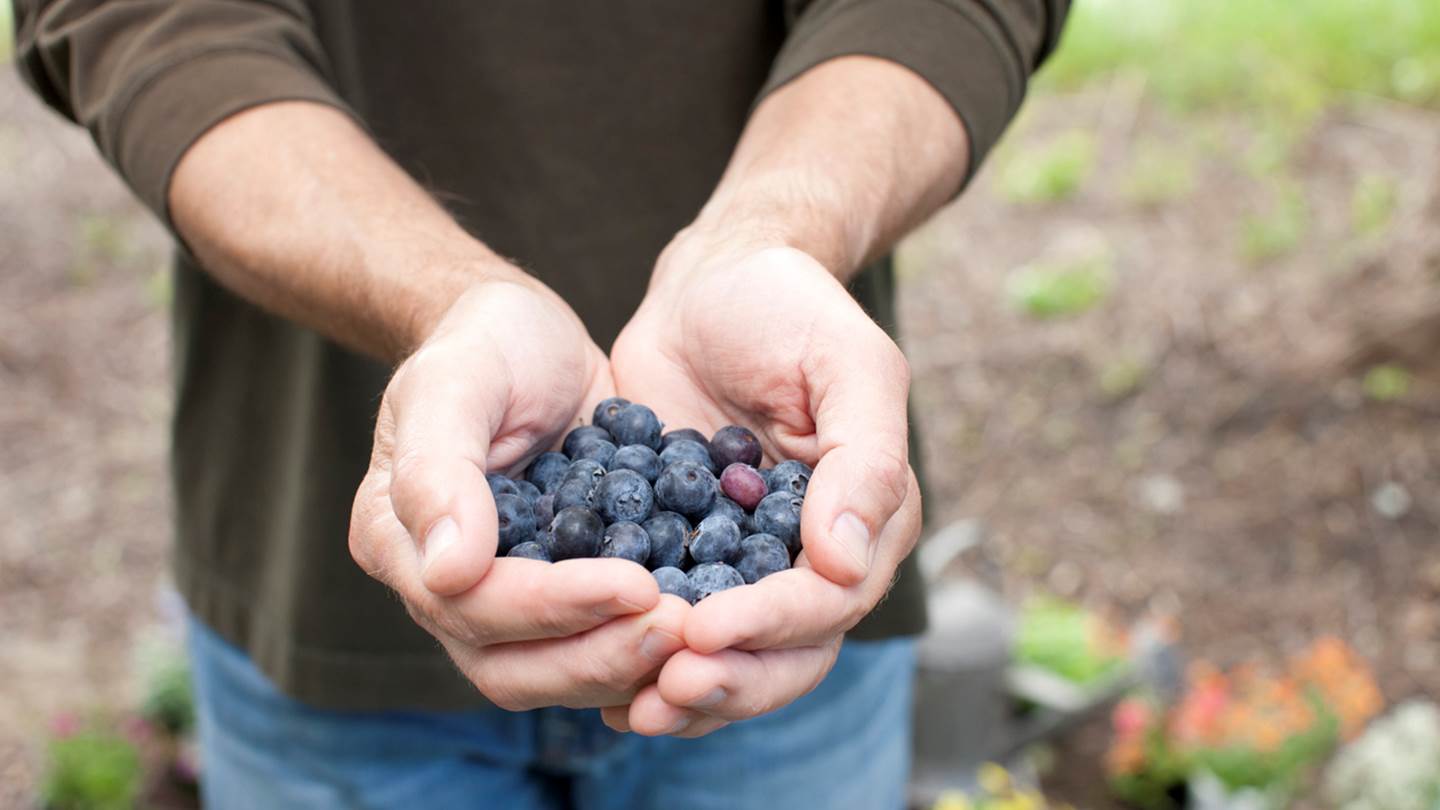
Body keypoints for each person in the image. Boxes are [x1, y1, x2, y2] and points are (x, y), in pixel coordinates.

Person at [16, 2, 1067, 807]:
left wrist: (778, 232)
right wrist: (446, 301)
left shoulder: (737, 501)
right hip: (324, 608)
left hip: (784, 641)